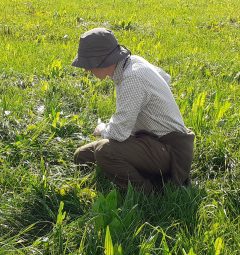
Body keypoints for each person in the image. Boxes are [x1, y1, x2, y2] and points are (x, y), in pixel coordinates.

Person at [71, 28, 195, 193]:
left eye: (88, 64)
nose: (87, 70)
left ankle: (150, 193)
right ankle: (144, 171)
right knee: (82, 156)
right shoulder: (133, 62)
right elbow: (166, 78)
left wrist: (102, 129)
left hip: (169, 148)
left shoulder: (132, 78)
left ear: (102, 60)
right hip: (147, 140)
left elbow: (119, 133)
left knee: (104, 152)